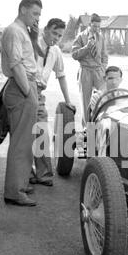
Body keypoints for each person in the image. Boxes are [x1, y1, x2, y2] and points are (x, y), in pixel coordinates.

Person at [0, 0, 42, 207]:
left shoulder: (23, 30)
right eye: (34, 13)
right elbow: (16, 64)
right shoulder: (14, 30)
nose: (37, 18)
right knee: (20, 143)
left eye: (38, 15)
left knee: (26, 142)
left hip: (25, 86)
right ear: (23, 9)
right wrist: (28, 92)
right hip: (21, 88)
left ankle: (20, 183)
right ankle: (14, 191)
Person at [31, 18, 76, 187]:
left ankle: (43, 174)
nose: (57, 38)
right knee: (25, 135)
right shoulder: (32, 44)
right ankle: (27, 174)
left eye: (60, 35)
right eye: (54, 33)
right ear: (46, 30)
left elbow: (61, 75)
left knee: (41, 131)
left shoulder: (56, 51)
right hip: (25, 91)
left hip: (39, 94)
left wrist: (68, 101)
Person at [72, 13, 108, 126]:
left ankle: (100, 128)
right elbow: (74, 55)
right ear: (89, 24)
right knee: (86, 102)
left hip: (98, 71)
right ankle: (86, 131)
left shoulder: (101, 37)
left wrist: (103, 68)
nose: (96, 29)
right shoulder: (81, 36)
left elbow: (104, 55)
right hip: (85, 71)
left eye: (98, 26)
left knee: (103, 99)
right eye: (94, 26)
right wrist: (87, 47)